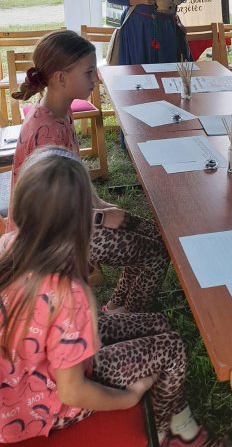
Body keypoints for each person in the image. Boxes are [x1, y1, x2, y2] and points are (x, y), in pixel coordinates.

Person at [0, 148, 223, 446]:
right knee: (170, 347)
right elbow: (72, 391)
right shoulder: (68, 293)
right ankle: (161, 433)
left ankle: (180, 421)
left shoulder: (9, 246)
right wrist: (127, 399)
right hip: (42, 405)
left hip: (21, 386)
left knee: (157, 322)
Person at [9, 30, 169, 313]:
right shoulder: (47, 133)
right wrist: (100, 216)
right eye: (89, 72)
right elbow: (52, 212)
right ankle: (132, 317)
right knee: (154, 253)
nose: (95, 78)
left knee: (154, 234)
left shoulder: (62, 111)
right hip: (52, 235)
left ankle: (119, 307)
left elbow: (76, 175)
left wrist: (102, 205)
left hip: (73, 217)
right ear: (60, 78)